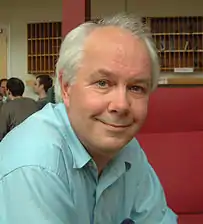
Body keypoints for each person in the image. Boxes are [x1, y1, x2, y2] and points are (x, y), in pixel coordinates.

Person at [0, 14, 177, 223]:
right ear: (66, 87)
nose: (121, 105)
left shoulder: (128, 149)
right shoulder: (34, 165)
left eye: (136, 87)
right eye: (103, 83)